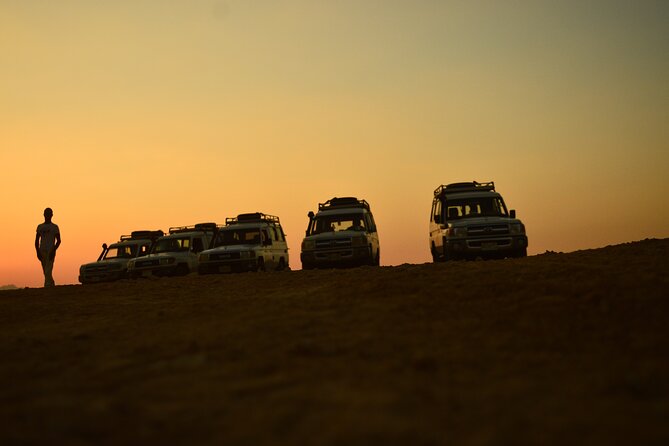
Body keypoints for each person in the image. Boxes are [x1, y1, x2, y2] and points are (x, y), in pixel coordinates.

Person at [35, 207, 61, 287]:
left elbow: (59, 240)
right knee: (45, 270)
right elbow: (36, 241)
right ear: (44, 215)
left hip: (50, 250)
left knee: (48, 270)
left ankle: (47, 286)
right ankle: (51, 284)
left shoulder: (54, 227)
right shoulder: (40, 227)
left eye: (49, 214)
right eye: (46, 214)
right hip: (42, 250)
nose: (48, 215)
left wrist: (53, 250)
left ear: (52, 215)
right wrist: (37, 252)